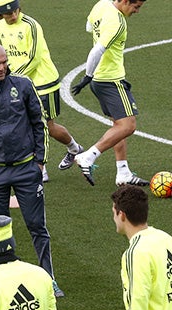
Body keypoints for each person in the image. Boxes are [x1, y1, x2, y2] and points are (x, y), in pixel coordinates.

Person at [0, 43, 65, 297]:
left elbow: (38, 122)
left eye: (4, 62)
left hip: (25, 169)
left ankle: (49, 278)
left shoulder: (23, 85)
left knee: (37, 226)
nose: (2, 67)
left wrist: (40, 161)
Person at [0, 0, 84, 178]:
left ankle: (70, 150)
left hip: (43, 83)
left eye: (15, 11)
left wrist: (11, 77)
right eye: (8, 14)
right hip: (20, 83)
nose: (13, 16)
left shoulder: (31, 25)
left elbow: (34, 58)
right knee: (24, 125)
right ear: (0, 14)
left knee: (46, 127)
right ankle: (47, 165)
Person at [70, 0, 148, 187]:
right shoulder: (117, 22)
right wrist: (87, 76)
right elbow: (97, 50)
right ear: (124, 1)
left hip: (100, 79)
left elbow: (89, 26)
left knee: (117, 124)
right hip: (110, 80)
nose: (136, 11)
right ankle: (88, 157)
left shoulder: (102, 4)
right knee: (128, 125)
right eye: (135, 6)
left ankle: (123, 172)